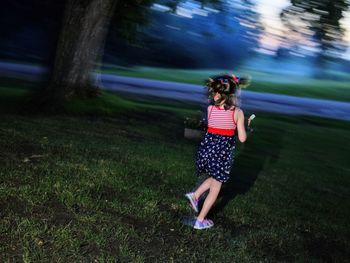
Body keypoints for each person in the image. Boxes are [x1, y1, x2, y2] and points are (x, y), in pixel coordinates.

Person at [185, 73, 251, 230]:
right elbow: (242, 138)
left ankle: (194, 196)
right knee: (216, 187)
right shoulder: (238, 112)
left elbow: (218, 125)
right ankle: (200, 221)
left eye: (215, 92)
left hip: (207, 152)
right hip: (221, 155)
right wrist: (245, 126)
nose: (213, 95)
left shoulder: (210, 109)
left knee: (215, 178)